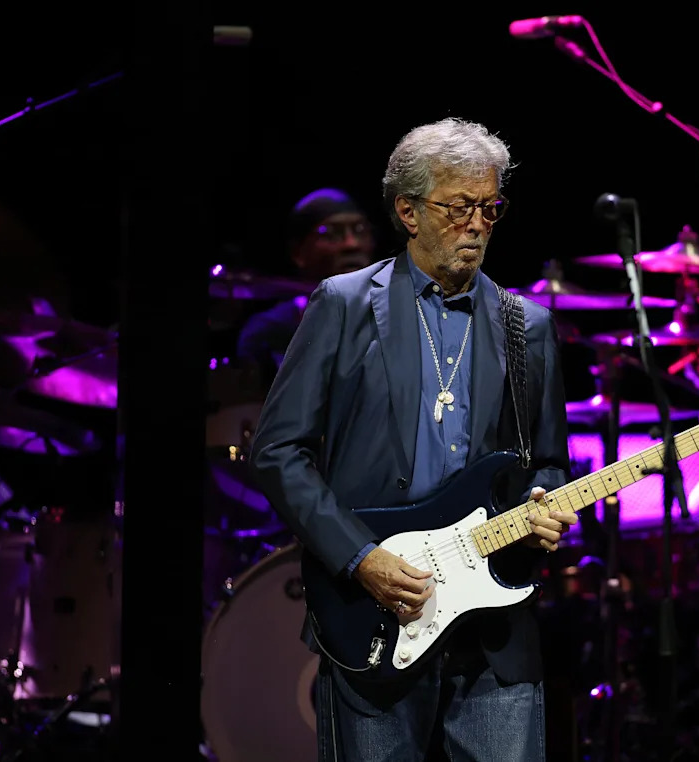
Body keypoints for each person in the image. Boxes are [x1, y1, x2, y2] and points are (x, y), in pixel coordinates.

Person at [249, 116, 577, 761]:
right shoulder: (343, 305)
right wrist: (359, 557)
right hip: (375, 612)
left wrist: (546, 500)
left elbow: (548, 461)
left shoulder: (527, 325)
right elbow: (277, 450)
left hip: (494, 624)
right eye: (459, 207)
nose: (478, 224)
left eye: (490, 207)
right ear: (408, 210)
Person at [234, 187, 377, 383]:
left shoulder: (400, 312)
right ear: (298, 253)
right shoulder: (268, 332)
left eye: (360, 230)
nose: (351, 244)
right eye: (330, 233)